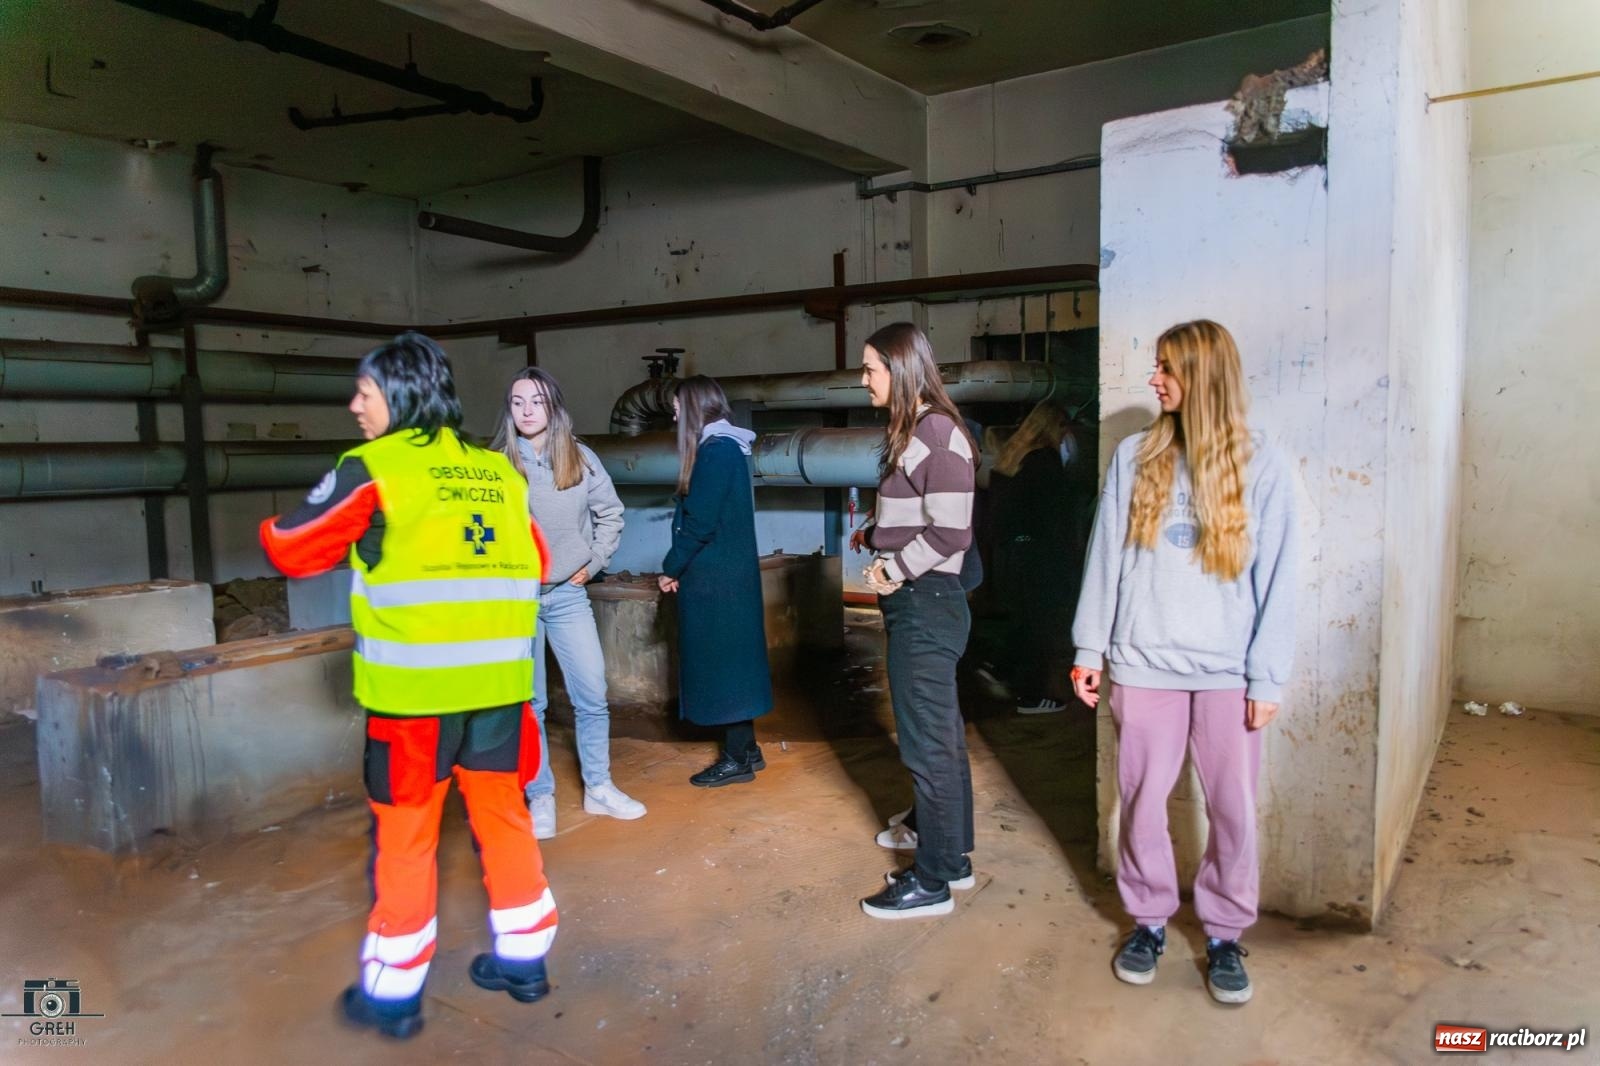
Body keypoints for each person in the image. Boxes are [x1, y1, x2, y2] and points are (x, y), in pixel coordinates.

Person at [260, 333, 558, 1039]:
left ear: (393, 393)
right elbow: (536, 561)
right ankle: (526, 964)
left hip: (415, 704)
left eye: (362, 392)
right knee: (505, 821)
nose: (354, 406)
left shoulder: (375, 467)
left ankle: (394, 998)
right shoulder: (499, 473)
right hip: (499, 694)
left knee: (407, 838)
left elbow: (292, 549)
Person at [1069, 319, 1296, 1005]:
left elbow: (1280, 577)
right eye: (1156, 365)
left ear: (1204, 375)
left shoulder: (1262, 461)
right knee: (1141, 805)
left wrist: (1268, 675)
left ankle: (1225, 933)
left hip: (1228, 675)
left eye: (1167, 367)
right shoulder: (1134, 457)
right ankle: (1148, 921)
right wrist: (1090, 646)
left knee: (1233, 809)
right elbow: (1105, 556)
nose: (1154, 378)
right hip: (1143, 665)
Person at [853, 322, 978, 920]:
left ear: (901, 370)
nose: (864, 379)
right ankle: (952, 859)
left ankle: (931, 882)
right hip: (924, 599)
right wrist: (875, 534)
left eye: (871, 368)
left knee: (929, 748)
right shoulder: (916, 432)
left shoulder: (937, 432)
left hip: (926, 601)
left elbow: (953, 531)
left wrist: (892, 569)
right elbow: (921, 514)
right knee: (941, 739)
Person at [491, 368, 645, 838]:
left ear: (554, 406)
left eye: (536, 401)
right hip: (514, 600)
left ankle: (598, 787)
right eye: (517, 402)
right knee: (531, 702)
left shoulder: (579, 458)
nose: (526, 411)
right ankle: (540, 796)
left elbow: (611, 514)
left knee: (592, 693)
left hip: (566, 594)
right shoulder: (495, 465)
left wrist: (595, 560)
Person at [657, 375, 773, 786]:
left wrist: (671, 567)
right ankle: (748, 748)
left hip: (717, 582)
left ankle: (737, 759)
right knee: (733, 663)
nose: (673, 414)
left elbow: (700, 523)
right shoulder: (727, 449)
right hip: (725, 579)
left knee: (726, 667)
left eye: (676, 407)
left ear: (692, 407)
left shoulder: (716, 452)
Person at [988, 400, 1091, 714]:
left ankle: (1001, 669)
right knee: (1041, 629)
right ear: (1054, 428)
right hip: (1041, 557)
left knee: (1025, 622)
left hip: (1014, 555)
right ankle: (1031, 698)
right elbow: (1054, 520)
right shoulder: (1046, 463)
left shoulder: (1010, 462)